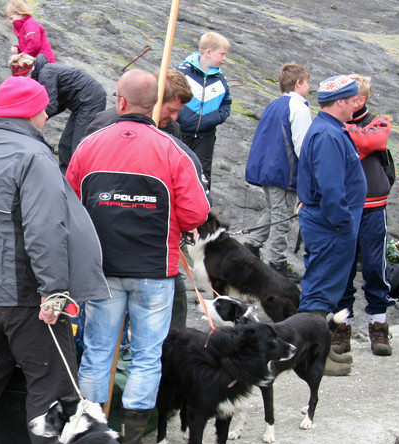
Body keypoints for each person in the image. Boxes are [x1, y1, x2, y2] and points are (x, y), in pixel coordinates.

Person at [0, 76, 110, 444]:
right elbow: (45, 230)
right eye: (44, 109)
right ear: (34, 112)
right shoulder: (34, 156)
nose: (47, 114)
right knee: (52, 389)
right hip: (25, 294)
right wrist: (55, 290)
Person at [67, 69, 211, 444]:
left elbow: (71, 202)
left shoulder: (89, 146)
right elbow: (198, 211)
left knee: (98, 351)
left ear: (121, 100)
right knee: (148, 355)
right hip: (154, 270)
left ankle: (90, 440)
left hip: (102, 269)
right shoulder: (174, 150)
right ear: (158, 107)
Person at [83, 69, 210, 331]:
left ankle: (171, 356)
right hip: (108, 245)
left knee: (173, 311)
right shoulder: (104, 124)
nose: (174, 118)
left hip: (154, 244)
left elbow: (182, 183)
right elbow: (83, 183)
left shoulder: (170, 129)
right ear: (153, 101)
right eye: (171, 110)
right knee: (100, 335)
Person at [296, 75, 366, 377]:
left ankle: (319, 349)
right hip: (330, 225)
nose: (356, 106)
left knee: (324, 288)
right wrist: (343, 223)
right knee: (319, 290)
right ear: (340, 102)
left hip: (328, 223)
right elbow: (331, 188)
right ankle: (312, 356)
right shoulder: (328, 135)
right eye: (352, 101)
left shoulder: (330, 130)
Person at [332, 74, 397, 357]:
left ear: (361, 100)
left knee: (374, 268)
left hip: (373, 206)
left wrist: (345, 135)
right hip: (345, 207)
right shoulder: (335, 123)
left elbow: (376, 140)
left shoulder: (379, 121)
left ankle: (379, 326)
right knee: (343, 270)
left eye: (348, 97)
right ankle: (340, 330)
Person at [244, 63, 312, 281]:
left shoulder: (274, 104)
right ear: (299, 83)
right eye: (308, 82)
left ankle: (251, 246)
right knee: (282, 215)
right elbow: (303, 146)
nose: (309, 87)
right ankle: (277, 262)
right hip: (284, 170)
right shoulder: (299, 107)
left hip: (267, 168)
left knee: (273, 210)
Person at [10, 53, 106, 171]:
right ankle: (65, 178)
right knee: (65, 145)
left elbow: (51, 106)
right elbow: (59, 105)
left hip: (91, 100)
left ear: (30, 70)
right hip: (80, 104)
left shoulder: (46, 74)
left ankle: (80, 181)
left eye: (24, 76)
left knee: (78, 146)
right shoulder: (43, 73)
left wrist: (34, 121)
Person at [176, 31, 233, 189]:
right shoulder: (182, 73)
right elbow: (168, 97)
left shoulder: (220, 79)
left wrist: (215, 118)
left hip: (206, 137)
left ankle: (201, 212)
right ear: (208, 52)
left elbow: (226, 103)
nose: (224, 58)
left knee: (202, 176)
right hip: (180, 133)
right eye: (222, 54)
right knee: (176, 172)